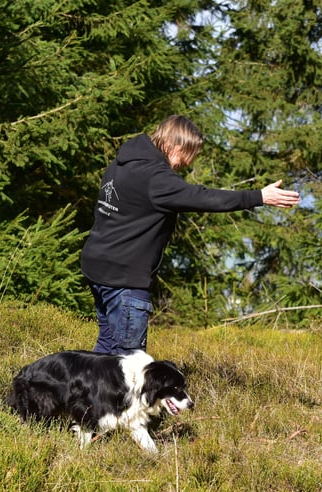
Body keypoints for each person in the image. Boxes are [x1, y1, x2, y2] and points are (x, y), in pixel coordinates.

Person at [80, 115, 301, 355]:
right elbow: (204, 197)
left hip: (98, 267)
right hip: (123, 280)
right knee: (129, 363)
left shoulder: (121, 163)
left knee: (105, 351)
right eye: (190, 153)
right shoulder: (156, 178)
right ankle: (112, 393)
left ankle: (88, 392)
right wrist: (259, 196)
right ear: (176, 146)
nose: (189, 163)